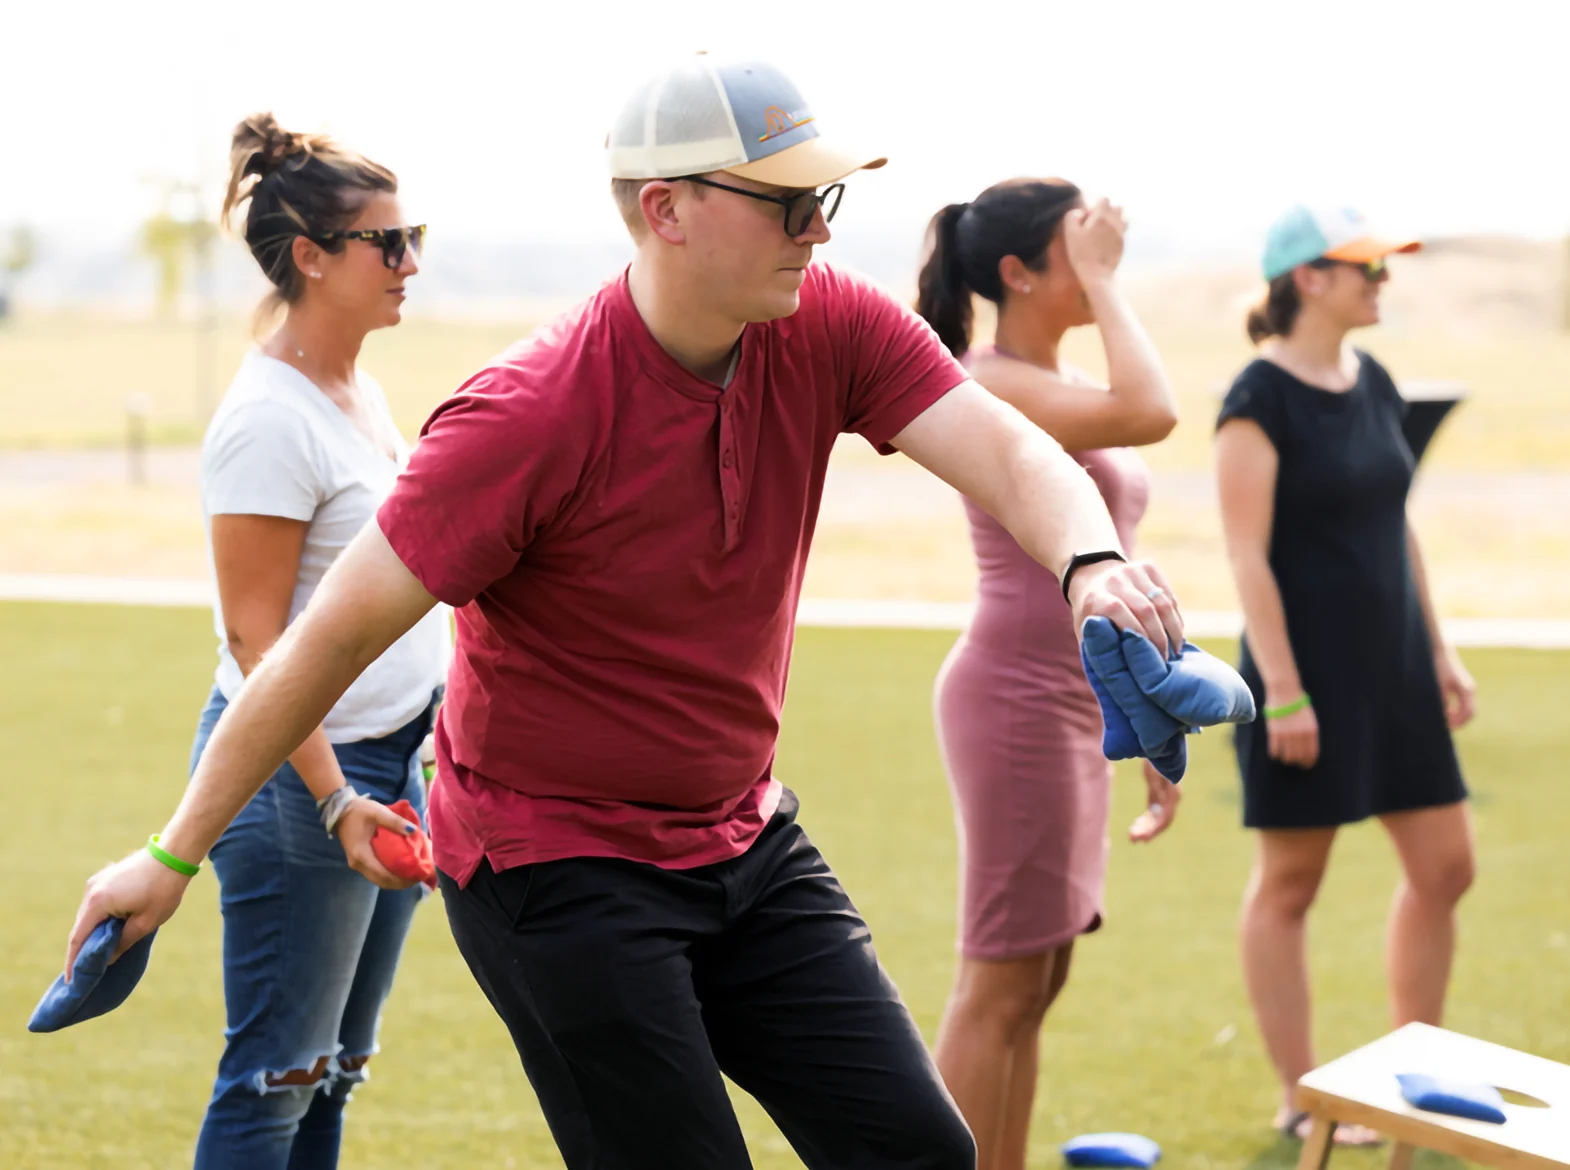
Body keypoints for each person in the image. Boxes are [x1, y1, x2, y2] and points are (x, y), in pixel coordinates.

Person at [66, 57, 1187, 1170]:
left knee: (919, 1150)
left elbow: (1001, 446)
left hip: (741, 834)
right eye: (791, 203)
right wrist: (170, 855)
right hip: (555, 867)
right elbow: (327, 637)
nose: (821, 232)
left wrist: (1089, 563)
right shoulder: (528, 414)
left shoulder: (826, 320)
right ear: (667, 209)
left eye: (825, 200)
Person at [185, 114, 450, 1167]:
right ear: (310, 256)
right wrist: (338, 797)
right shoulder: (266, 420)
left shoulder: (355, 389)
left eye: (411, 236)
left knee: (331, 1076)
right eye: (389, 243)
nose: (411, 263)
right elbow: (259, 643)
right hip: (303, 785)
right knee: (272, 1084)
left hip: (389, 761)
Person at [913, 178, 1181, 1170]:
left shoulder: (1044, 378)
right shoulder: (992, 378)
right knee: (997, 984)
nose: (1103, 262)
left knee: (1037, 981)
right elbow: (1151, 409)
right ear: (1018, 272)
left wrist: (1143, 703)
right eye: (1080, 249)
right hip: (1015, 701)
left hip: (1071, 698)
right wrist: (1109, 285)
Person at [1214, 204, 1477, 1147]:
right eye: (1365, 268)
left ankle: (1418, 1073)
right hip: (1304, 680)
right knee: (1291, 884)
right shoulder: (1257, 397)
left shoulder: (1375, 381)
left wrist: (1438, 651)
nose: (1382, 283)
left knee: (1448, 868)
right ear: (1307, 280)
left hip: (1397, 670)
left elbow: (1394, 523)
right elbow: (1247, 557)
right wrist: (1281, 690)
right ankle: (1300, 1092)